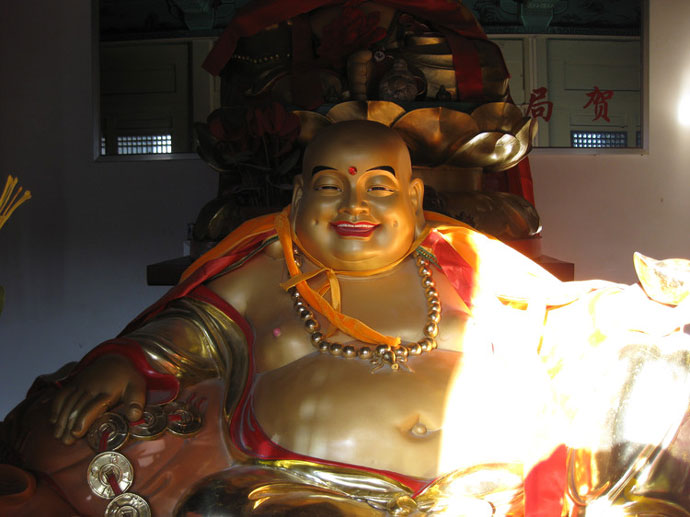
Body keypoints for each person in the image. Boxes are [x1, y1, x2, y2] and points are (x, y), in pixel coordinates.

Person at [2, 120, 689, 516]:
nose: (355, 205)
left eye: (379, 188)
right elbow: (193, 330)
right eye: (331, 186)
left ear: (414, 200)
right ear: (299, 196)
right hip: (305, 488)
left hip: (495, 483)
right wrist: (127, 360)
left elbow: (562, 318)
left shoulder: (464, 265)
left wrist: (648, 308)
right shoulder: (269, 269)